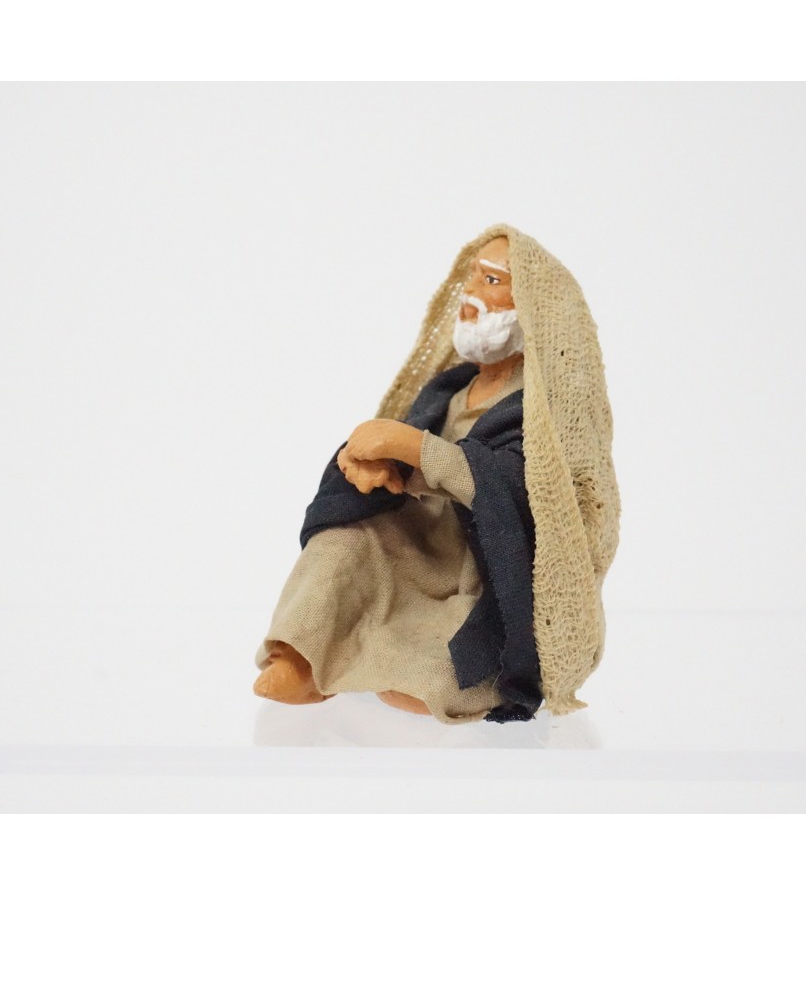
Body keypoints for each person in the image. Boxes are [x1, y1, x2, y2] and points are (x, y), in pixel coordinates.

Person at [253, 224, 620, 723]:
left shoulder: (540, 411)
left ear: (534, 309)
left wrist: (415, 449)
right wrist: (370, 463)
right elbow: (401, 448)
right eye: (472, 278)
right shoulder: (447, 389)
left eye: (492, 281)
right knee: (345, 539)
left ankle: (399, 671)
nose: (470, 295)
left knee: (453, 663)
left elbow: (522, 490)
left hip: (477, 574)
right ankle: (300, 656)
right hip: (419, 549)